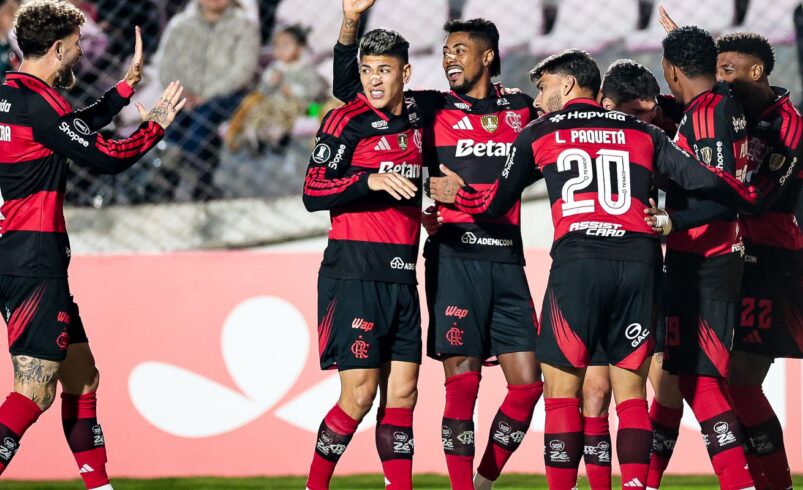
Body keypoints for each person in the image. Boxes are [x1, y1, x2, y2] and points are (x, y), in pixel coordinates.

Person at [427, 48, 759, 490]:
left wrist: (457, 194)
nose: (538, 98)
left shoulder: (539, 131)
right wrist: (745, 193)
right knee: (631, 393)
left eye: (543, 86)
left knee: (563, 393)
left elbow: (494, 205)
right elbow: (707, 180)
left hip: (579, 262)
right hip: (640, 262)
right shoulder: (642, 132)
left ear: (567, 84)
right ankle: (636, 485)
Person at [334, 3, 542, 488]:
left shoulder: (520, 108)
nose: (449, 58)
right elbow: (351, 93)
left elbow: (548, 150)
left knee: (529, 385)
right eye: (446, 51)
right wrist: (350, 23)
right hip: (454, 257)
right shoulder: (429, 107)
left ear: (487, 57)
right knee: (463, 382)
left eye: (459, 51)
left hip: (507, 257)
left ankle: (485, 479)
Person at [0, 1, 185, 488]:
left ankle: (99, 486)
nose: (82, 52)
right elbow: (108, 158)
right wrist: (155, 124)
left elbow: (65, 131)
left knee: (82, 378)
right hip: (34, 258)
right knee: (34, 389)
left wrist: (122, 92)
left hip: (18, 252)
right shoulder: (43, 104)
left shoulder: (12, 95)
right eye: (78, 44)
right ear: (58, 49)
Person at [301, 28, 424, 490]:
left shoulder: (419, 117)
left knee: (404, 395)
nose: (374, 80)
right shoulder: (344, 120)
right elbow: (312, 191)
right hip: (354, 272)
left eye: (384, 70)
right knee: (359, 396)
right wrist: (367, 181)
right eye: (367, 70)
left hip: (403, 274)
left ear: (405, 74)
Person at [640, 25, 756, 489]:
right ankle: (645, 482)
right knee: (673, 381)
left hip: (707, 260)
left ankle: (739, 483)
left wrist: (673, 222)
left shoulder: (707, 115)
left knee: (701, 383)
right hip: (707, 258)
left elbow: (726, 197)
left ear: (670, 71)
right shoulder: (721, 101)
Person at [580, 58, 680, 490]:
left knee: (665, 392)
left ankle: (646, 483)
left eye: (650, 111)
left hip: (645, 273)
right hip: (590, 271)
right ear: (606, 103)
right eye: (636, 113)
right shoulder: (577, 133)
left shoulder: (664, 130)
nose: (646, 120)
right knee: (595, 392)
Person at [716, 32, 801, 490]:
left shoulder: (788, 125)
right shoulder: (728, 117)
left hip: (771, 261)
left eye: (728, 70)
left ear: (757, 71)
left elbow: (759, 198)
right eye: (716, 71)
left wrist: (703, 186)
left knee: (743, 381)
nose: (721, 80)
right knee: (731, 384)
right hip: (730, 257)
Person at [157, 0, 260, 200]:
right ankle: (184, 177)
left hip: (224, 95)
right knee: (173, 117)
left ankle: (177, 167)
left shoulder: (244, 25)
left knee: (206, 114)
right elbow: (166, 66)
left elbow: (243, 70)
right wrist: (182, 93)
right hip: (183, 95)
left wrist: (206, 95)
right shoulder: (180, 24)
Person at [225, 24, 326, 153]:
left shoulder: (305, 69)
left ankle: (277, 134)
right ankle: (254, 134)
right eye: (277, 46)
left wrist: (294, 90)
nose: (280, 50)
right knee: (259, 108)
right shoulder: (275, 67)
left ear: (300, 49)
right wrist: (270, 82)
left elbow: (315, 90)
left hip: (297, 104)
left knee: (289, 109)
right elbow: (262, 90)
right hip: (272, 101)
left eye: (286, 46)